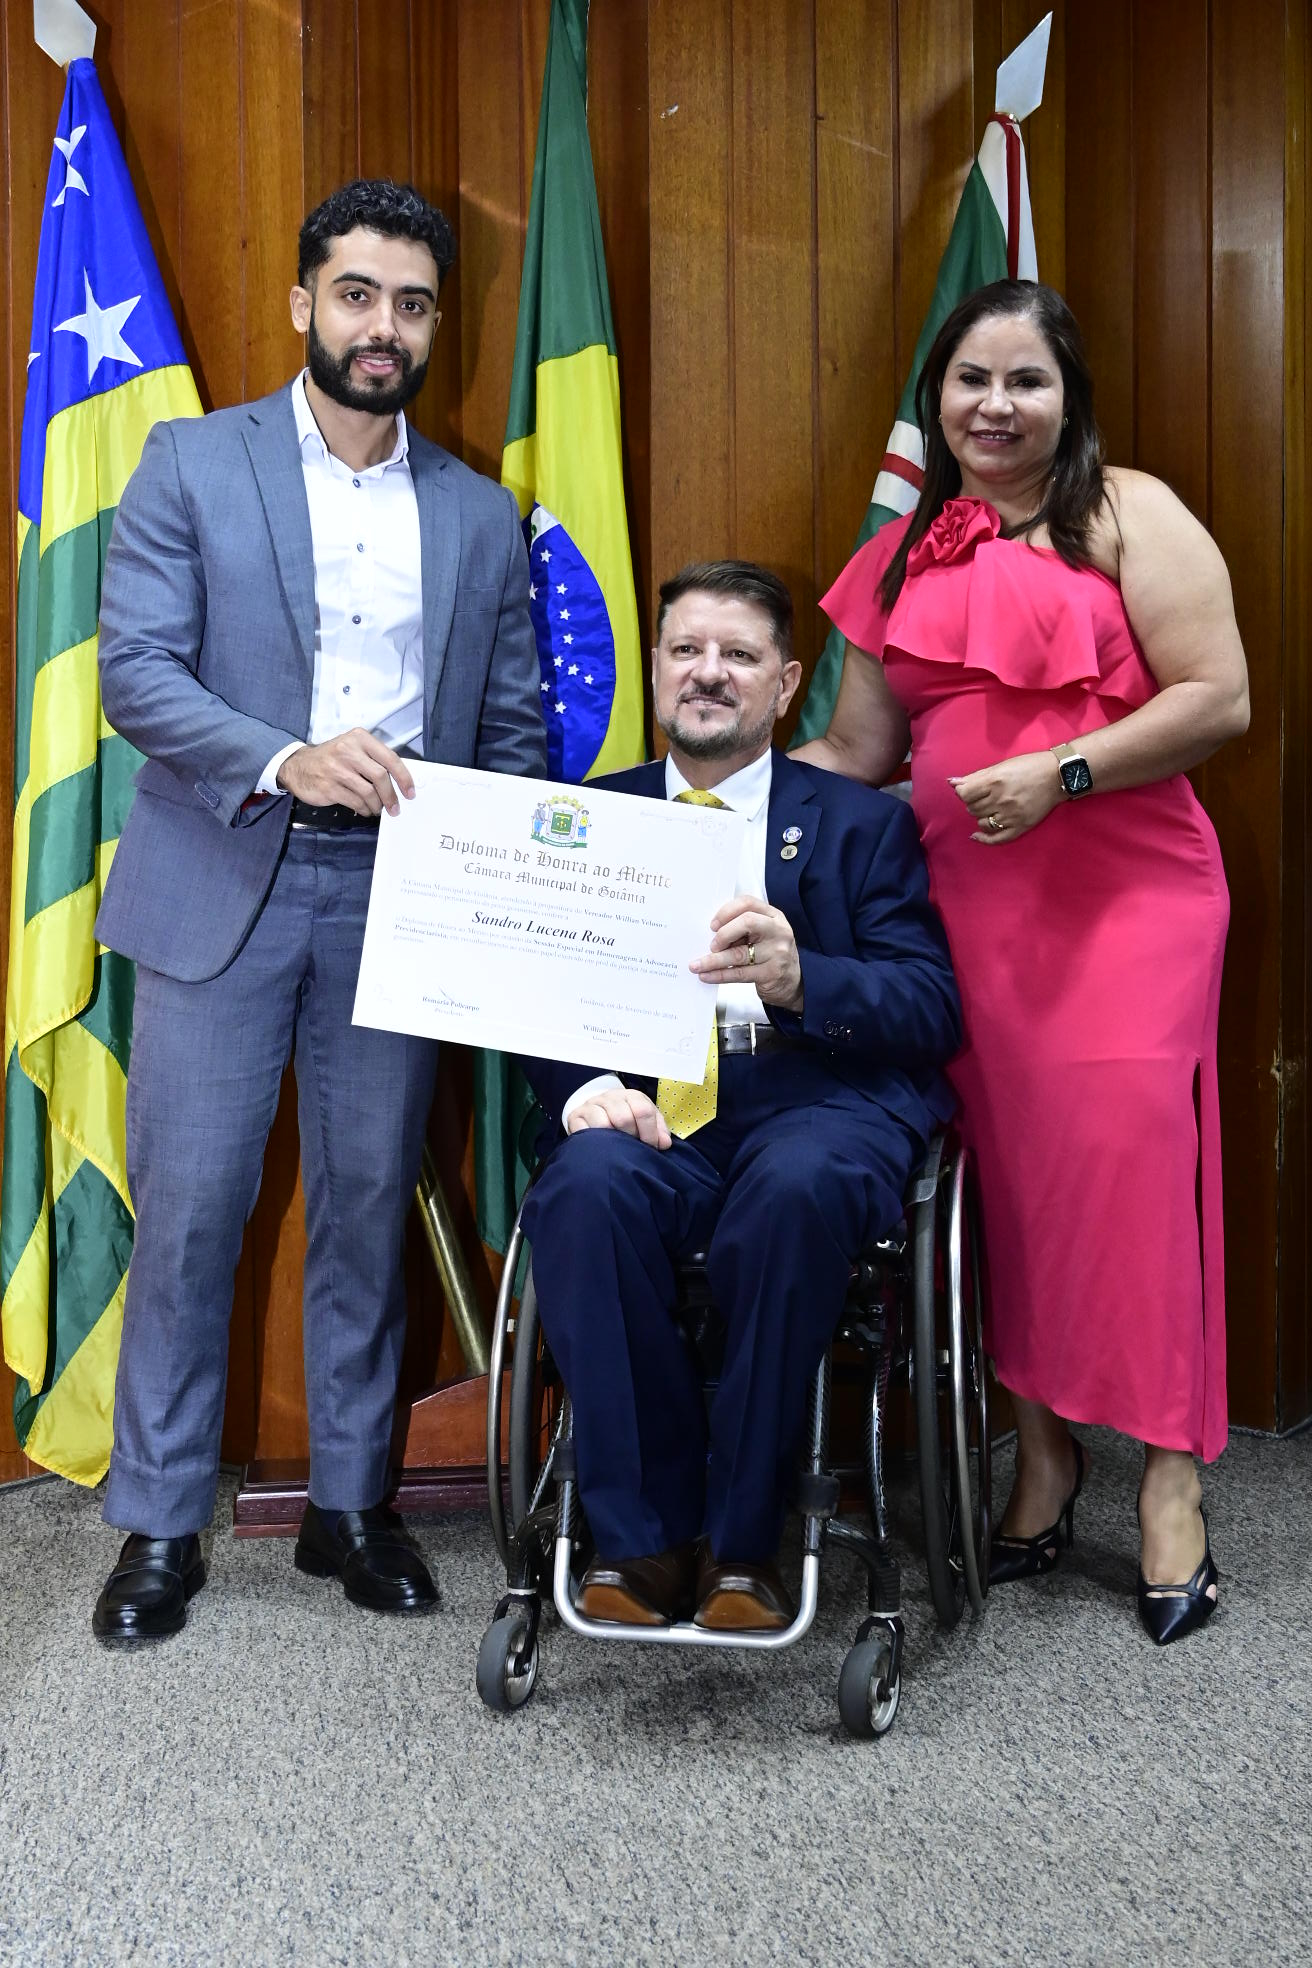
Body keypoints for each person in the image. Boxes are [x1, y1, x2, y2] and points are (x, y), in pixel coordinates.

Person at [91, 179, 546, 1643]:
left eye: (411, 303)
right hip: (223, 874)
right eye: (356, 295)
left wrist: (501, 881)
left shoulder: (480, 513)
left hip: (399, 900)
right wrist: (285, 757)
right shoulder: (191, 460)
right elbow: (136, 672)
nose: (381, 326)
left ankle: (350, 1507)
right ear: (304, 303)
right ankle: (159, 1523)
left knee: (366, 1205)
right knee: (192, 1213)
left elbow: (514, 728)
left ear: (435, 324)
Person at [800, 279, 1249, 1645]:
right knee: (1010, 1185)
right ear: (935, 398)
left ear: (1069, 397)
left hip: (1130, 902)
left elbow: (1217, 699)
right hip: (967, 918)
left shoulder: (1129, 513)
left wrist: (1064, 771)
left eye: (1026, 381)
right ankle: (1044, 1462)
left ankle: (1171, 1480)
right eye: (971, 380)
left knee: (1132, 1172)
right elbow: (856, 755)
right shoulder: (898, 560)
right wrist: (686, 795)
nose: (995, 406)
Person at [519, 561, 961, 1631]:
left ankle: (746, 1540)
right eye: (686, 650)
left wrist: (805, 978)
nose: (708, 673)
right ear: (656, 667)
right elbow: (530, 994)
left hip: (820, 1113)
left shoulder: (859, 826)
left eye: (739, 655)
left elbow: (930, 1008)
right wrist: (583, 1087)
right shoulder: (590, 817)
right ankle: (644, 1540)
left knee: (795, 1190)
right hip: (655, 1119)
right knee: (583, 1189)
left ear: (785, 683)